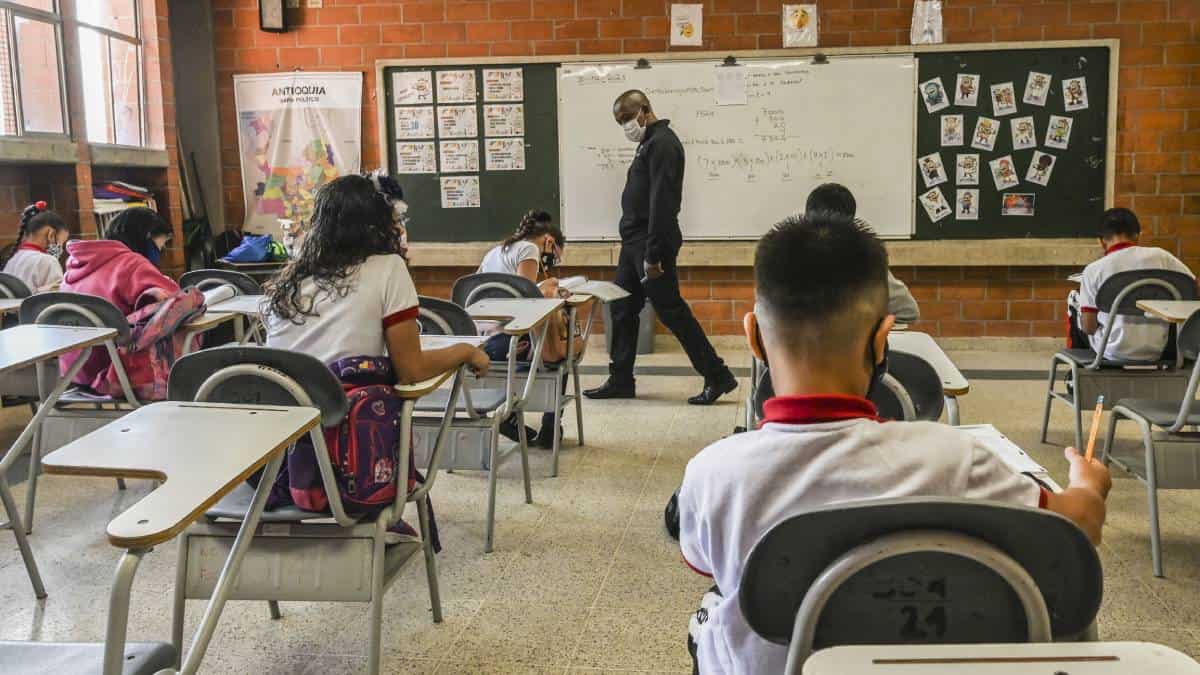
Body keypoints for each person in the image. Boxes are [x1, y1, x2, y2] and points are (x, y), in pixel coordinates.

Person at [678, 211, 1111, 675]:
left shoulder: (713, 472)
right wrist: (1089, 484)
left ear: (754, 337)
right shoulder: (953, 457)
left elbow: (709, 568)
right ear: (883, 341)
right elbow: (1076, 531)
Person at [585, 89, 737, 405]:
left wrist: (653, 255)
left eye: (627, 117)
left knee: (671, 310)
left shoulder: (664, 144)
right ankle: (621, 380)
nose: (625, 125)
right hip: (634, 244)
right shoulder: (648, 144)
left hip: (649, 244)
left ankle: (717, 376)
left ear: (644, 109)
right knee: (622, 308)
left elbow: (663, 203)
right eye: (620, 121)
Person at [264, 173, 489, 385]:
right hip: (338, 414)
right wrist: (466, 351)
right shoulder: (389, 267)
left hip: (284, 411)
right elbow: (411, 370)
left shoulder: (293, 277)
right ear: (379, 225)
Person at [477, 210, 586, 448]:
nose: (550, 263)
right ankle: (549, 427)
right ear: (548, 241)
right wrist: (548, 287)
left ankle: (510, 413)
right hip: (509, 342)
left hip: (483, 343)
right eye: (554, 255)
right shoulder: (529, 249)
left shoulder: (495, 252)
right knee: (562, 352)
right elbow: (525, 301)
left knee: (547, 346)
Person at [59, 208, 181, 394]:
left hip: (74, 372)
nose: (161, 252)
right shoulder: (132, 263)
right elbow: (175, 299)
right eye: (160, 246)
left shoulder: (74, 266)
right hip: (114, 373)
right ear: (147, 238)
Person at [1068, 207, 1196, 361]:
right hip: (1159, 349)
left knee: (1074, 298)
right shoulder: (1163, 257)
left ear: (1101, 241)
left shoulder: (1094, 270)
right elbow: (1194, 287)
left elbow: (1089, 328)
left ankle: (1080, 369)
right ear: (1137, 237)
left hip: (1110, 351)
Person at [805, 183, 921, 324]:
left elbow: (908, 311)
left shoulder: (785, 259)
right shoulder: (865, 259)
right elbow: (908, 311)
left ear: (807, 220)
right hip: (855, 343)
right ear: (850, 223)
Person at [2, 201, 71, 291]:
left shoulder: (13, 257)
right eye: (61, 242)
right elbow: (57, 300)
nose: (60, 248)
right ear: (51, 234)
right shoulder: (48, 261)